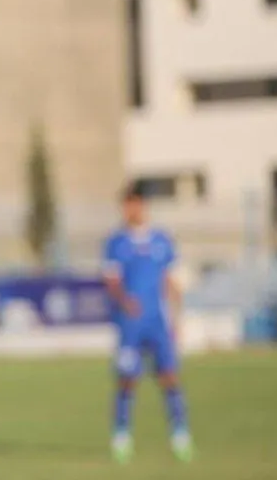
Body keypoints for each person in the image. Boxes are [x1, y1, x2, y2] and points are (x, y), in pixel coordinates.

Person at [101, 182, 194, 464]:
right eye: (126, 205)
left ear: (143, 205)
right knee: (127, 379)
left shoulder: (161, 241)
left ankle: (180, 437)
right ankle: (121, 437)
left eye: (134, 204)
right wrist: (124, 301)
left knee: (170, 377)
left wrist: (177, 317)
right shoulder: (116, 243)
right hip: (130, 324)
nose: (130, 210)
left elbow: (171, 281)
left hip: (157, 321)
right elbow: (111, 280)